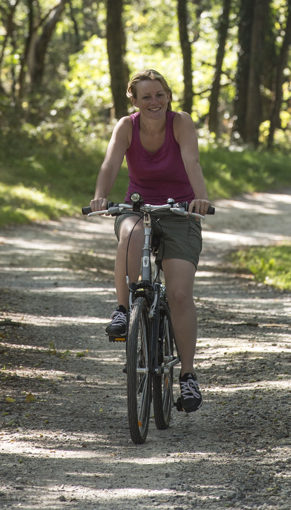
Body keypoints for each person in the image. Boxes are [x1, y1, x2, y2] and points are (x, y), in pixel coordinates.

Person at [89, 67, 212, 413]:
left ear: (168, 95)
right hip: (138, 206)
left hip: (179, 212)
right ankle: (124, 308)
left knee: (179, 293)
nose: (154, 102)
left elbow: (192, 162)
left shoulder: (181, 123)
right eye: (146, 97)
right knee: (132, 232)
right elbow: (111, 163)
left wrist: (200, 199)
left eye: (160, 95)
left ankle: (187, 377)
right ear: (134, 100)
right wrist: (101, 196)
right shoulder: (126, 127)